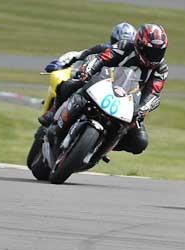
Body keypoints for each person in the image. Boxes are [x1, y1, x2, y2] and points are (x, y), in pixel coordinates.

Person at [47, 24, 169, 155]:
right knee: (69, 85)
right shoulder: (124, 47)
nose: (154, 56)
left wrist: (142, 109)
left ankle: (100, 147)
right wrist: (88, 70)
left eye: (158, 52)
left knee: (140, 142)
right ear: (139, 45)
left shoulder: (161, 69)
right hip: (102, 84)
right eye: (150, 51)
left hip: (128, 102)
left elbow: (153, 92)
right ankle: (54, 116)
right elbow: (102, 58)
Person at [38, 22, 137, 127]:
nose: (121, 47)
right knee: (67, 85)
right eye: (118, 42)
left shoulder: (135, 62)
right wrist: (60, 63)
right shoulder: (104, 48)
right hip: (94, 81)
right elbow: (77, 55)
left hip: (116, 93)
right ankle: (54, 111)